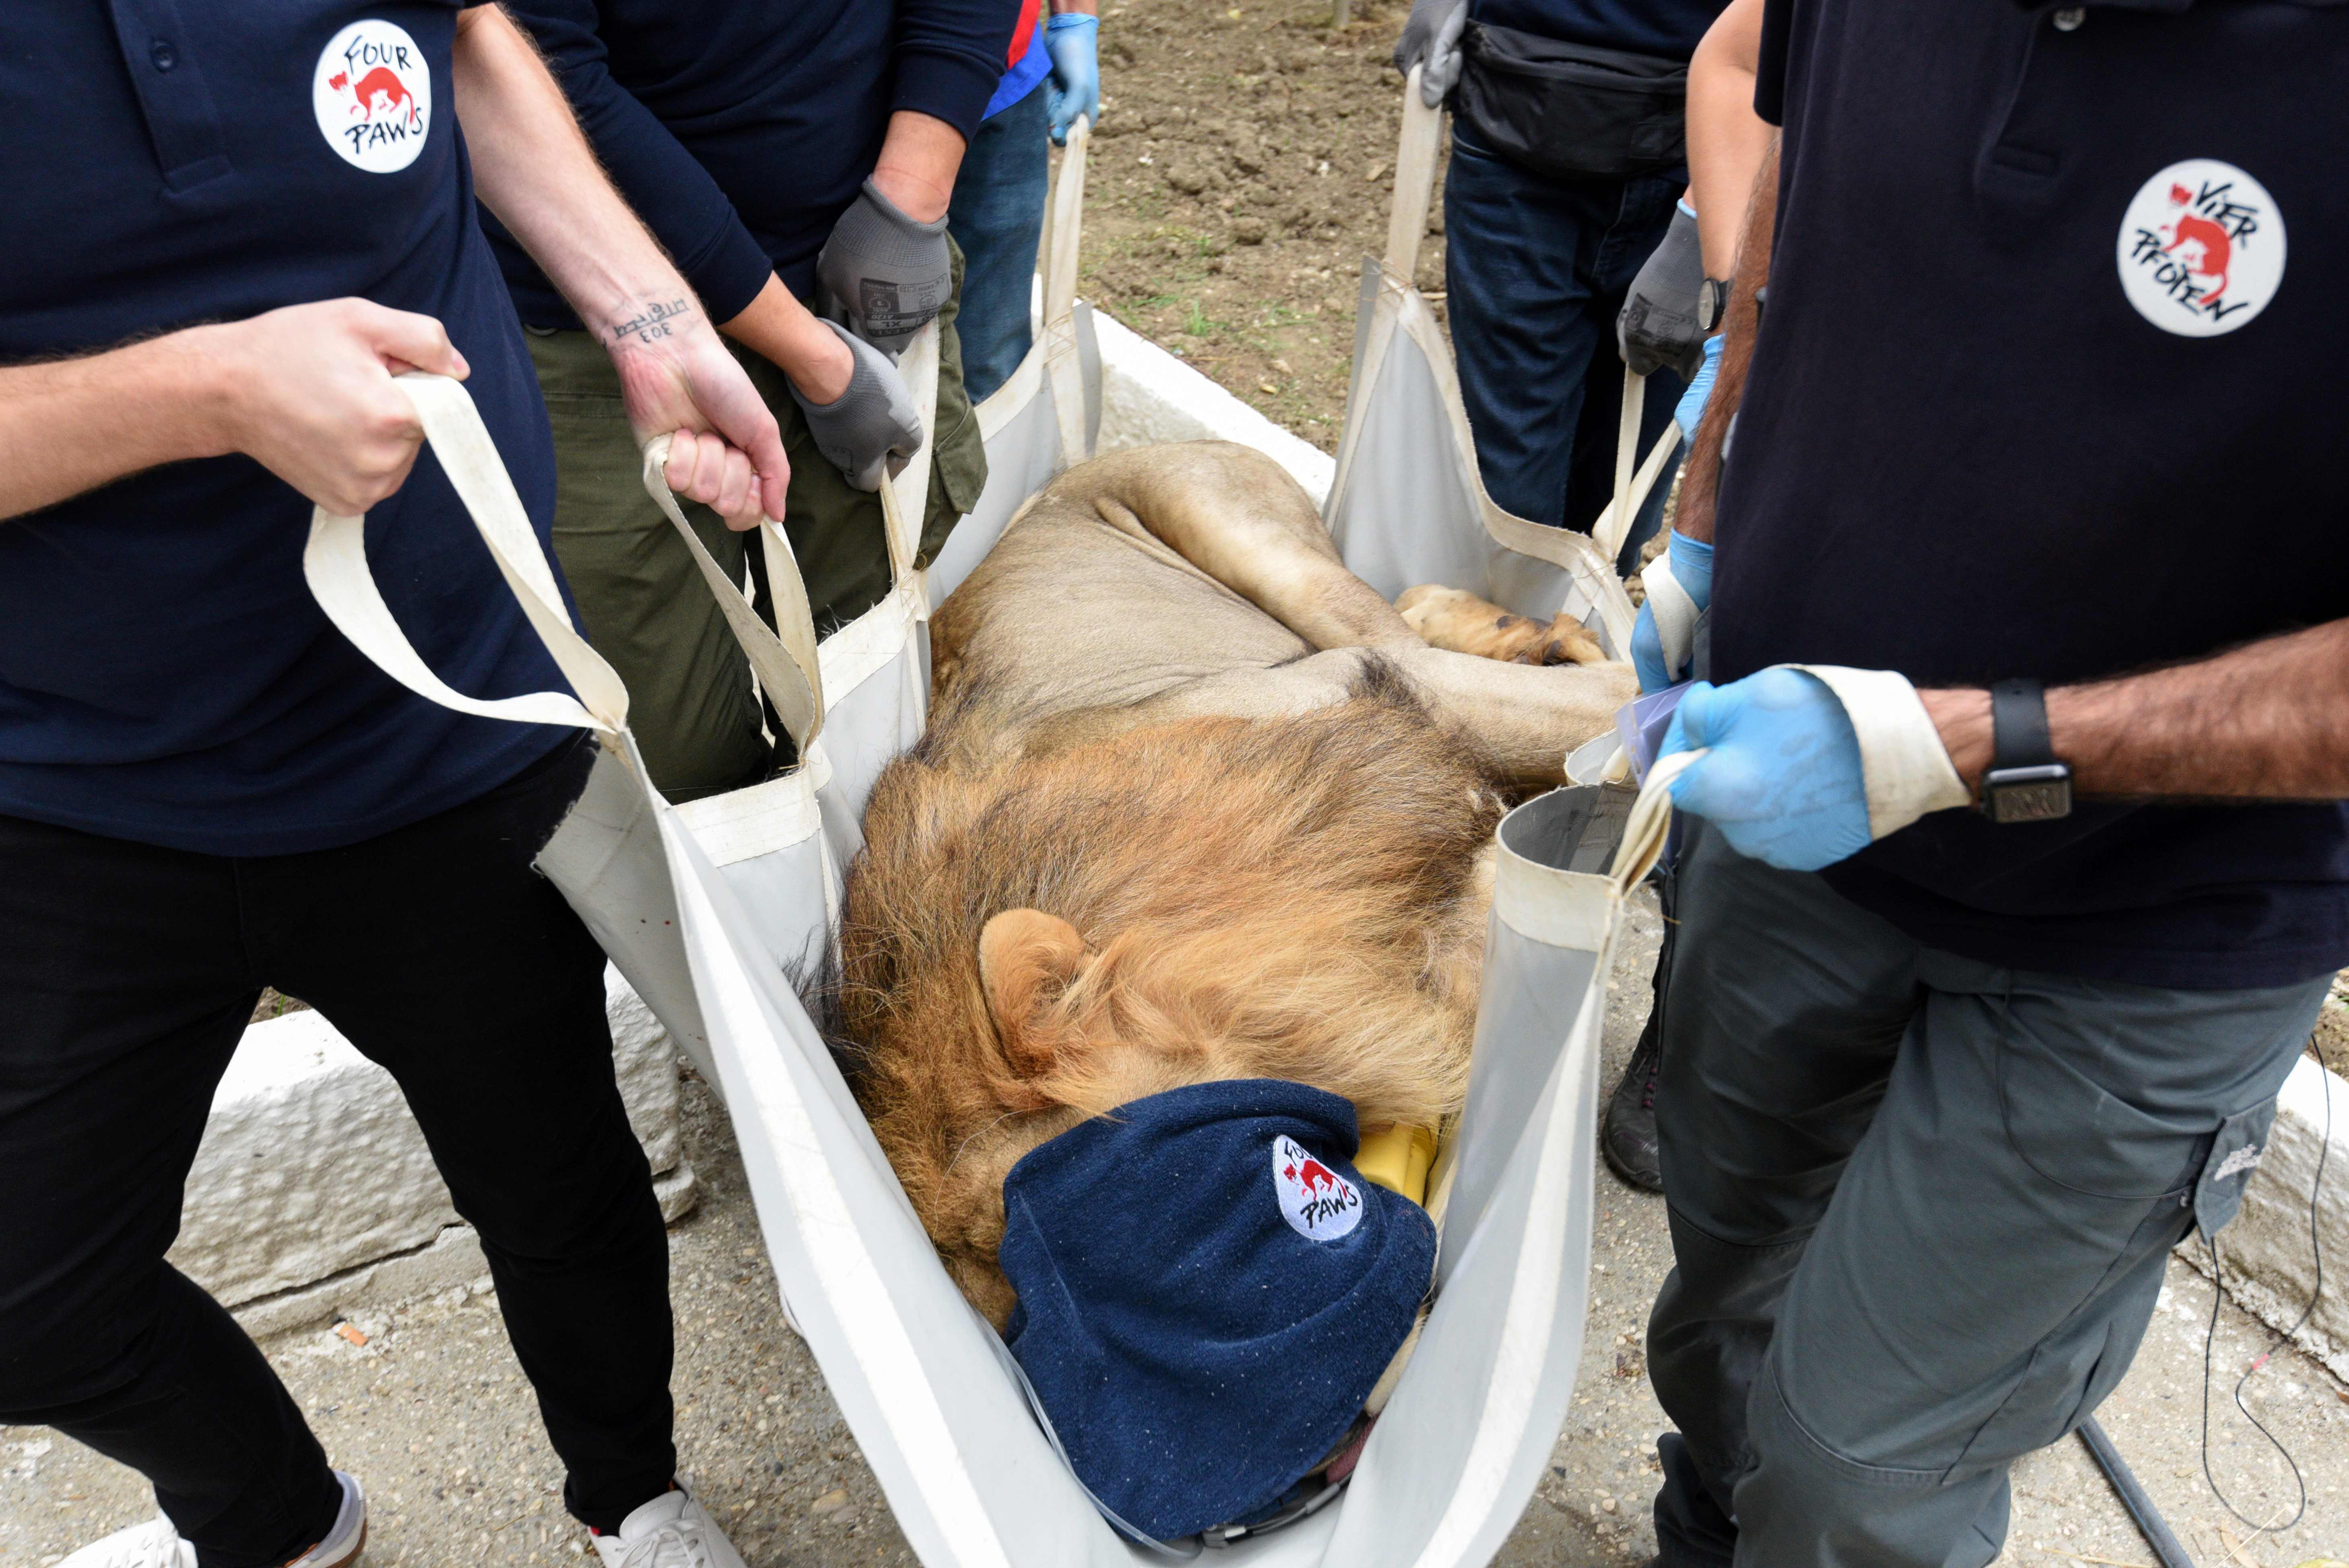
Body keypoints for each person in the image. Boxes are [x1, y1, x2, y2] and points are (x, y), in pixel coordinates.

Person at [1, 6, 786, 1565]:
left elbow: (475, 40)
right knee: (30, 1295)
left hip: (459, 722)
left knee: (558, 1178)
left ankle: (625, 1488)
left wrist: (649, 321)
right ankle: (276, 1517)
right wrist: (208, 391)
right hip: (70, 783)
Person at [1630, 1, 2348, 1564]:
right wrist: (1708, 503)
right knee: (1719, 1318)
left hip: (2146, 932)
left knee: (1856, 1469)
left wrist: (1947, 746)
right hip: (1789, 833)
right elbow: (1804, 196)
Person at [490, 0, 1023, 800]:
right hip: (593, 327)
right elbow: (536, 71)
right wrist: (809, 359)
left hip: (852, 275)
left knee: (893, 693)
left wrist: (909, 202)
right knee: (667, 757)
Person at [1598, 0, 1775, 1194]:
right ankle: (1680, 1016)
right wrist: (1728, 298)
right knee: (1712, 730)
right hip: (1802, 416)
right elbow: (1737, 54)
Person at [1393, 0, 1727, 574]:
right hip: (1517, 128)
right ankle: (1503, 640)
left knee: (1618, 501)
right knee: (1511, 493)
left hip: (1701, 149)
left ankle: (1571, 632)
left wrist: (1703, 222)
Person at [949, 0, 1103, 407]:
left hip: (1004, 80)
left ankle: (991, 461)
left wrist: (1074, 19)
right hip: (859, 89)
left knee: (992, 364)